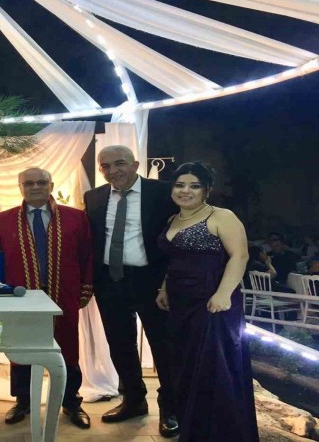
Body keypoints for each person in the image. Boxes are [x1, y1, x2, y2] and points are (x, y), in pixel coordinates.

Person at [156, 162, 258, 442]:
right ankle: (193, 430)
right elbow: (174, 260)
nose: (185, 191)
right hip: (179, 305)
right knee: (186, 367)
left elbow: (240, 256)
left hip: (211, 302)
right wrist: (164, 288)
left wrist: (223, 294)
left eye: (194, 185)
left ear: (207, 190)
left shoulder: (221, 216)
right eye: (179, 185)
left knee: (213, 368)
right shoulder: (173, 219)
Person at [83, 145, 179, 438]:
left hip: (152, 282)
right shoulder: (94, 197)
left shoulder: (163, 192)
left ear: (135, 164)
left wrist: (169, 282)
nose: (113, 171)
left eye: (120, 163)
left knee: (164, 345)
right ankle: (134, 400)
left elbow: (178, 236)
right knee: (120, 344)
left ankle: (171, 407)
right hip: (110, 281)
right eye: (106, 166)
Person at [0, 167, 93, 429]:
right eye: (29, 183)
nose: (35, 187)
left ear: (51, 185)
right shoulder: (3, 220)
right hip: (20, 295)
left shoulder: (75, 218)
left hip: (63, 292)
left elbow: (87, 255)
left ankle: (71, 402)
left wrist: (86, 287)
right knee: (21, 346)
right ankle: (23, 401)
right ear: (20, 187)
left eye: (41, 182)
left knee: (68, 346)